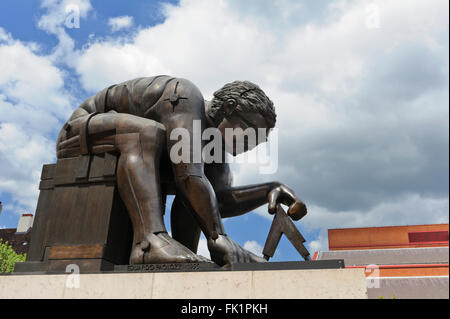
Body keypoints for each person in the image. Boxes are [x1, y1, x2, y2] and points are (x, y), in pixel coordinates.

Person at [56, 75, 306, 267]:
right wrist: (218, 238)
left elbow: (214, 200)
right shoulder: (186, 98)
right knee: (148, 135)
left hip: (126, 149)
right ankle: (148, 243)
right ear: (229, 107)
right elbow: (188, 175)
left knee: (199, 187)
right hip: (79, 133)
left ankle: (180, 250)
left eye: (258, 141)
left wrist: (268, 190)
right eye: (250, 133)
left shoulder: (214, 145)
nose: (250, 144)